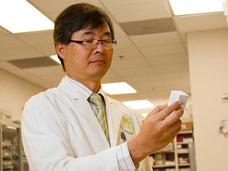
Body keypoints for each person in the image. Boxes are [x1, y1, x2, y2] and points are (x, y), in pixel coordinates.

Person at [21, 3, 183, 171]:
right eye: (88, 40)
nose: (100, 48)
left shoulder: (126, 114)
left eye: (105, 40)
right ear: (61, 49)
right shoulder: (41, 107)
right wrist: (135, 148)